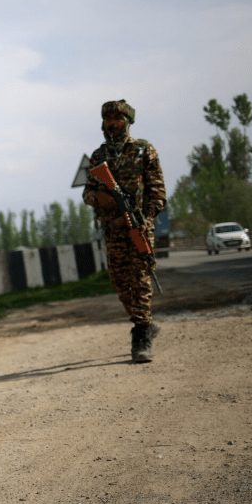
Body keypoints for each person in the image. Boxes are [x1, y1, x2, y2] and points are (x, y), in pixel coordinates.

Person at [83, 99, 166, 363]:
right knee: (120, 282)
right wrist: (99, 198)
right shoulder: (98, 157)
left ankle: (141, 334)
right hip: (113, 229)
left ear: (128, 121)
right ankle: (147, 323)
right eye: (108, 119)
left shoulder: (144, 150)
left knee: (140, 277)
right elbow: (87, 192)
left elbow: (158, 191)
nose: (112, 124)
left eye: (117, 119)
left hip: (140, 225)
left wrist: (148, 218)